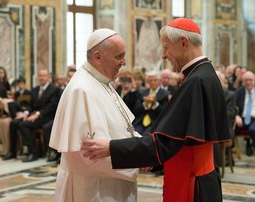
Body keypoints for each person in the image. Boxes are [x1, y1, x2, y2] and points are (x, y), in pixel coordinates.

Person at [82, 18, 230, 202]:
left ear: (183, 42)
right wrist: (152, 161)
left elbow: (164, 143)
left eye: (166, 48)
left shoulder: (196, 82)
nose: (163, 55)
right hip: (200, 177)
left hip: (192, 184)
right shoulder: (205, 74)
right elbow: (181, 141)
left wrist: (111, 148)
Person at [49, 28, 140, 202]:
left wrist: (142, 149)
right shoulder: (81, 90)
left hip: (113, 182)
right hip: (96, 189)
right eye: (119, 56)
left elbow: (122, 129)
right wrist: (136, 161)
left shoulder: (101, 81)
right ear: (98, 57)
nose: (124, 62)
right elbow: (90, 154)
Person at [3, 69, 60, 162]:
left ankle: (33, 153)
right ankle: (12, 151)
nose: (42, 78)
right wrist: (25, 113)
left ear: (48, 77)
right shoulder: (34, 90)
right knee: (13, 123)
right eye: (40, 76)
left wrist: (38, 114)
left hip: (46, 117)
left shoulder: (54, 89)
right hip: (33, 115)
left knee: (23, 125)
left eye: (44, 76)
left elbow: (52, 106)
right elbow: (30, 105)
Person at [132, 70, 169, 136]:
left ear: (159, 81)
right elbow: (135, 110)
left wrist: (155, 104)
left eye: (155, 80)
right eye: (150, 81)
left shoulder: (165, 94)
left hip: (155, 122)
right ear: (147, 82)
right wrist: (145, 104)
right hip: (140, 121)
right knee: (134, 134)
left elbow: (165, 113)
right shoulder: (142, 92)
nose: (153, 82)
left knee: (145, 136)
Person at [235, 70, 255, 156]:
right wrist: (236, 116)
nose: (248, 82)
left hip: (254, 118)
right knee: (229, 128)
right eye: (246, 80)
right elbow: (233, 106)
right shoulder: (239, 92)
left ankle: (251, 145)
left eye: (250, 80)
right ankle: (228, 156)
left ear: (254, 81)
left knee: (252, 130)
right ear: (243, 82)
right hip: (242, 119)